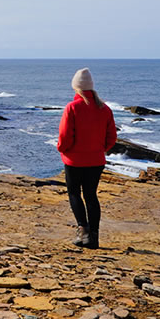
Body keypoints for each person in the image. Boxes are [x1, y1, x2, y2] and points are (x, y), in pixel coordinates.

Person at [56, 68, 117, 249]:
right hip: (96, 160)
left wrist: (62, 149)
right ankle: (94, 236)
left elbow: (65, 136)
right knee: (91, 195)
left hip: (74, 160)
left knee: (74, 193)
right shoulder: (104, 108)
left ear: (76, 87)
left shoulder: (72, 107)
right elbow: (112, 137)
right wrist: (99, 150)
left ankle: (83, 231)